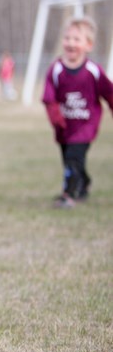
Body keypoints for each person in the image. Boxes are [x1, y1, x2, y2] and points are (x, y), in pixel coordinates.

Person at [42, 16, 113, 209]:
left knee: (74, 157)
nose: (70, 43)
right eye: (67, 38)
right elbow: (48, 96)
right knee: (69, 159)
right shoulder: (56, 69)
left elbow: (109, 92)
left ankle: (69, 195)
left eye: (76, 39)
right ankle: (83, 183)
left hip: (85, 126)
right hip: (64, 126)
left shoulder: (93, 70)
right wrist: (54, 114)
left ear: (88, 45)